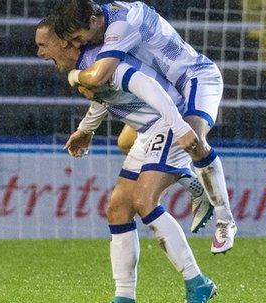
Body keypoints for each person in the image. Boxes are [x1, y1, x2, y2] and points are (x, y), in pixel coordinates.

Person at [35, 17, 217, 303]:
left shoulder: (103, 64)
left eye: (43, 45)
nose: (40, 53)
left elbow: (149, 88)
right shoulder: (86, 67)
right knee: (118, 209)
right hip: (148, 130)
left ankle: (198, 282)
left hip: (167, 122)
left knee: (145, 201)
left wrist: (181, 128)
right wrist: (86, 129)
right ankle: (124, 296)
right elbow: (104, 97)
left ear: (65, 42)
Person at [50, 0, 237, 254]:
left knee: (193, 138)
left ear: (94, 19)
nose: (79, 45)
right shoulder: (104, 26)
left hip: (195, 77)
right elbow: (109, 88)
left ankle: (225, 220)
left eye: (79, 37)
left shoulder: (120, 25)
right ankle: (194, 185)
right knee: (126, 142)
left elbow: (100, 76)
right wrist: (86, 129)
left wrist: (73, 75)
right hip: (166, 89)